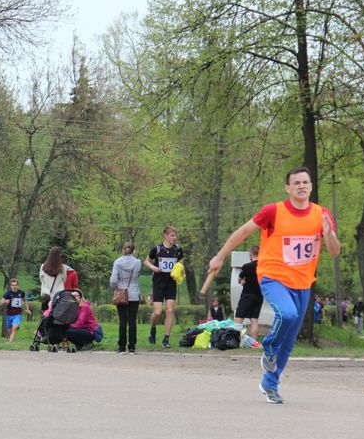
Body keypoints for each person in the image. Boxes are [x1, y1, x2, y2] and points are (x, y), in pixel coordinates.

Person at [209, 167, 340, 404]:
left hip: (303, 284)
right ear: (288, 188)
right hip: (273, 277)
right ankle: (268, 346)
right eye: (296, 183)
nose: (302, 186)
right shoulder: (273, 211)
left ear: (311, 186)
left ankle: (270, 383)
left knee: (289, 341)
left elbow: (334, 251)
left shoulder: (322, 214)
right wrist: (219, 256)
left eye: (305, 182)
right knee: (287, 315)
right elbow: (243, 231)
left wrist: (329, 234)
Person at [145, 226, 184, 348]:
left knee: (170, 310)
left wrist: (180, 272)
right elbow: (146, 261)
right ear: (166, 236)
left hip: (171, 283)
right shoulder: (157, 249)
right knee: (157, 312)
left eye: (175, 235)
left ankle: (166, 339)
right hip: (158, 283)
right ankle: (153, 329)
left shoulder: (178, 249)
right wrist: (153, 268)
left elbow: (181, 263)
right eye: (172, 235)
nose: (174, 238)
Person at [109, 241, 141, 354]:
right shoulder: (137, 262)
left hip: (121, 294)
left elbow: (113, 280)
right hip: (134, 294)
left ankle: (121, 347)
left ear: (123, 249)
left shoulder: (117, 262)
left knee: (123, 321)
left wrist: (116, 288)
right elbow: (136, 276)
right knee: (132, 321)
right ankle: (132, 347)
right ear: (134, 250)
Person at [234, 246, 263, 342]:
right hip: (259, 296)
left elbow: (239, 280)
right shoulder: (264, 267)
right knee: (254, 320)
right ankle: (254, 343)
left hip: (247, 295)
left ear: (251, 255)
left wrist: (243, 282)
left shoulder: (246, 266)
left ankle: (235, 341)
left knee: (239, 318)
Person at [0, 278, 32, 343]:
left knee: (14, 328)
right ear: (11, 286)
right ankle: (12, 341)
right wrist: (5, 301)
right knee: (10, 330)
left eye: (15, 285)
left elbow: (25, 301)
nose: (14, 286)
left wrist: (28, 309)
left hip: (18, 314)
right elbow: (0, 303)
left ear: (18, 285)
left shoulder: (21, 293)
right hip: (9, 314)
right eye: (13, 285)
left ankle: (9, 344)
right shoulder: (7, 293)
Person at [39, 247, 68, 312]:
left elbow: (41, 279)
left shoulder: (43, 266)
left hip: (46, 295)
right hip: (58, 295)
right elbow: (64, 280)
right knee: (57, 315)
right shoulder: (61, 268)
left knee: (45, 315)